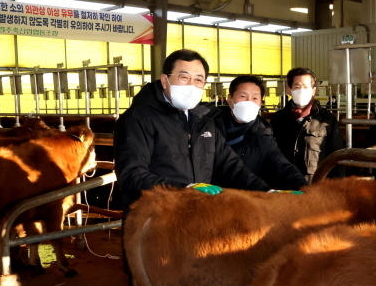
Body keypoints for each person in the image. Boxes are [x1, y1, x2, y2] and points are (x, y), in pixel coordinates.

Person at [114, 49, 271, 212]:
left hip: (197, 215)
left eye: (198, 80)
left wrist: (268, 192)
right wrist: (184, 189)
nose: (191, 85)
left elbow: (230, 166)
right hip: (154, 218)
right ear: (164, 80)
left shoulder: (205, 119)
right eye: (184, 77)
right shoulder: (139, 118)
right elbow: (131, 174)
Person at [213, 75, 307, 190]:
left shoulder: (262, 131)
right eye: (243, 96)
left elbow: (277, 160)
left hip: (247, 195)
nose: (249, 102)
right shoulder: (211, 126)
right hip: (213, 195)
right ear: (230, 99)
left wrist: (301, 185)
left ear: (261, 103)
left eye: (254, 98)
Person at [270, 67, 344, 184]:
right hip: (283, 184)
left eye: (306, 87)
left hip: (314, 184)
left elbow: (336, 154)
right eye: (297, 87)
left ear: (313, 90)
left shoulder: (326, 120)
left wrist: (337, 186)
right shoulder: (278, 119)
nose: (301, 91)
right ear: (289, 90)